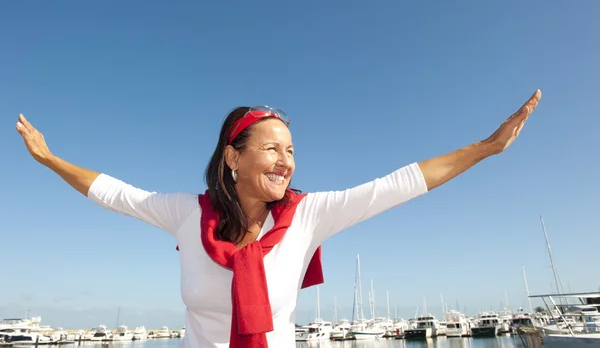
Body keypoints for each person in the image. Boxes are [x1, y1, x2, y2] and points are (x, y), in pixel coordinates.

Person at [15, 90, 541, 348]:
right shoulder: (184, 214)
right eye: (272, 148)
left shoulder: (308, 214)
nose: (287, 160)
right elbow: (114, 193)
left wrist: (486, 148)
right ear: (233, 158)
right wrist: (49, 159)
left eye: (291, 149)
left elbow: (398, 184)